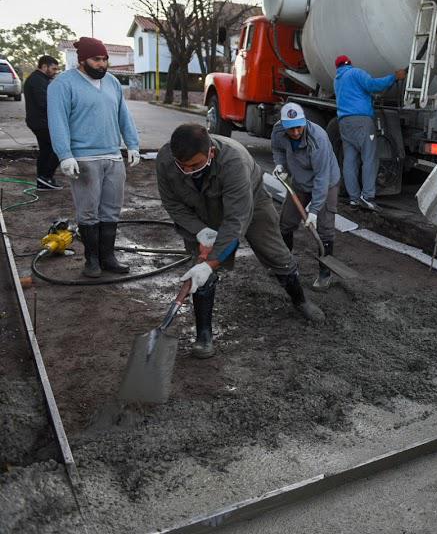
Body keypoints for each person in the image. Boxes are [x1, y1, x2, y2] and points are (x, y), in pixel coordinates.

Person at [156, 123, 325, 359]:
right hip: (202, 210)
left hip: (251, 203)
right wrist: (200, 231)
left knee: (276, 253)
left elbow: (236, 222)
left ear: (211, 153)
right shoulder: (165, 160)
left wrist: (210, 263)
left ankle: (300, 300)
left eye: (194, 165)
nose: (187, 171)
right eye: (181, 166)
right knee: (199, 270)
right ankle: (204, 334)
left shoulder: (234, 161)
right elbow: (173, 204)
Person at [48, 37, 140, 278]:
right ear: (81, 60)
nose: (102, 64)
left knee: (111, 210)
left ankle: (108, 257)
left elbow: (123, 116)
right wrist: (64, 155)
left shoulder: (111, 83)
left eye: (105, 59)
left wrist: (132, 144)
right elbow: (57, 122)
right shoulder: (62, 85)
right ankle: (92, 260)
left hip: (113, 157)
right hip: (84, 159)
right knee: (88, 212)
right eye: (96, 59)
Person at [271, 102, 341, 290]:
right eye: (290, 129)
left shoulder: (318, 139)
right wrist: (280, 165)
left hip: (326, 182)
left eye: (298, 127)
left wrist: (315, 211)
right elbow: (277, 149)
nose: (295, 132)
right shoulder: (278, 131)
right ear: (283, 125)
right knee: (285, 223)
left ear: (304, 122)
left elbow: (322, 177)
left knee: (325, 229)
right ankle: (287, 264)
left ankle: (325, 274)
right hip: (300, 182)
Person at [333, 55, 406, 212]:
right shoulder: (355, 73)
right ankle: (367, 197)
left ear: (337, 67)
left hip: (344, 122)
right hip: (361, 121)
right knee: (370, 158)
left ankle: (354, 198)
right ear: (350, 64)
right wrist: (394, 77)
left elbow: (359, 92)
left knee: (350, 160)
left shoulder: (337, 79)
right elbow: (373, 85)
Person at [23, 55, 62, 190]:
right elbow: (44, 103)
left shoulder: (39, 79)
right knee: (59, 147)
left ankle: (43, 180)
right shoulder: (37, 80)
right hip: (41, 122)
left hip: (38, 122)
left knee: (46, 150)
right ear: (44, 66)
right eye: (53, 68)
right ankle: (46, 177)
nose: (55, 71)